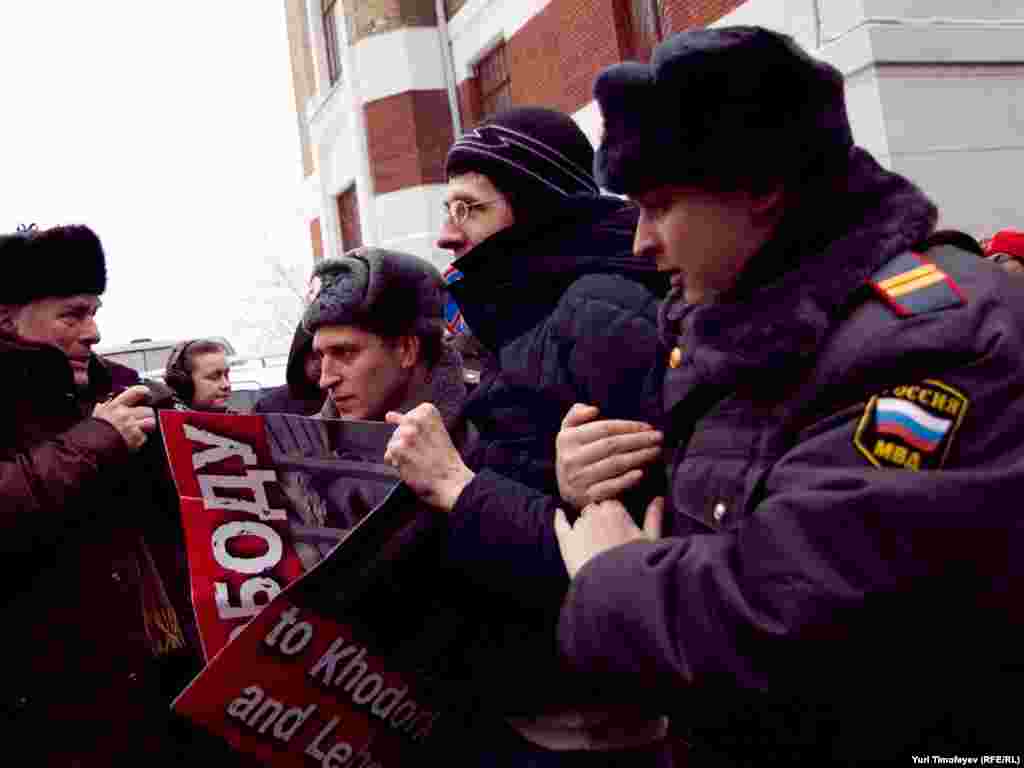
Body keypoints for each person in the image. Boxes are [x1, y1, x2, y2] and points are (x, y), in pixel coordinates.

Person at [547, 25, 1024, 763]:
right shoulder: (750, 325)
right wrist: (604, 476)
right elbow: (743, 496)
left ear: (761, 186)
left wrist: (612, 581)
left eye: (661, 203)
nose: (639, 241)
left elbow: (798, 614)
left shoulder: (932, 339)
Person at [385, 107, 670, 763]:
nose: (446, 236)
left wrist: (456, 485)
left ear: (539, 210)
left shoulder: (600, 312)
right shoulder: (526, 317)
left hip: (587, 730)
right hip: (528, 703)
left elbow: (624, 553)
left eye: (469, 210)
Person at [0, 224, 213, 765]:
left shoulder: (117, 387)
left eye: (95, 310)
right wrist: (97, 441)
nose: (93, 331)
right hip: (43, 701)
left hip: (154, 676)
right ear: (7, 316)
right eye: (72, 314)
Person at [252, 322, 325, 416]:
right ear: (300, 357)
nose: (324, 364)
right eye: (316, 355)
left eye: (338, 354)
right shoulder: (270, 408)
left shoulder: (346, 401)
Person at [164, 337, 233, 411]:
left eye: (226, 375)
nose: (226, 385)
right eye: (214, 377)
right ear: (183, 385)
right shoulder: (160, 422)